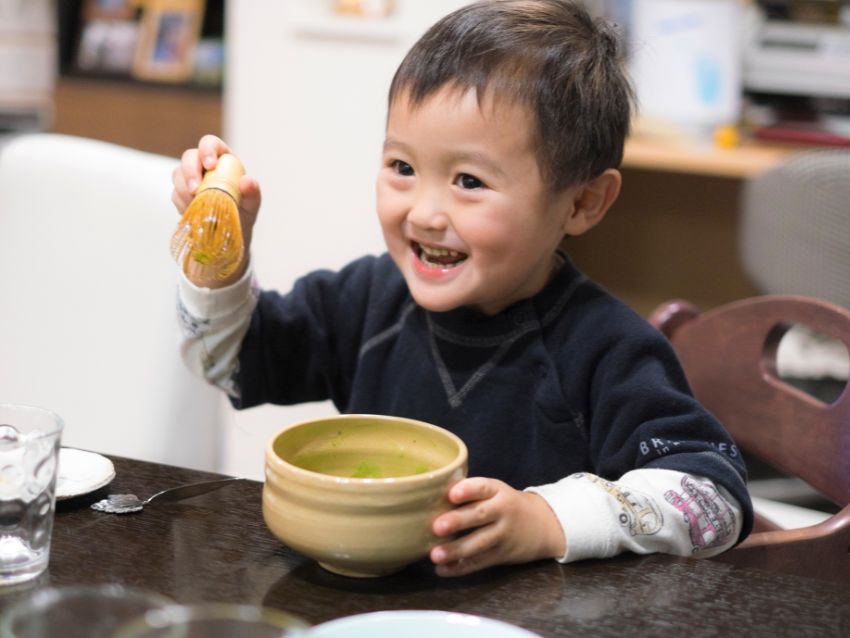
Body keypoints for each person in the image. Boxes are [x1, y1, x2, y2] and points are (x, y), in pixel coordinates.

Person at [171, 0, 752, 577]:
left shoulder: (605, 347)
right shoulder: (369, 299)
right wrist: (219, 254)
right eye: (402, 167)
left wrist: (546, 519)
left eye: (469, 181)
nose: (424, 213)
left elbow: (713, 501)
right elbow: (230, 362)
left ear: (582, 202)